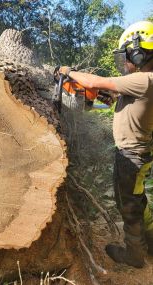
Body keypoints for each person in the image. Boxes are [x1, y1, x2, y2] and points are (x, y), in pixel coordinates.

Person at [58, 21, 153, 268]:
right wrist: (105, 97)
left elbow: (93, 82)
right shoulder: (143, 82)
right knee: (138, 199)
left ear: (139, 53)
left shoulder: (145, 80)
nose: (125, 62)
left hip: (132, 157)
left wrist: (67, 71)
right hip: (137, 154)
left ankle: (134, 255)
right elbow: (118, 100)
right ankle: (150, 242)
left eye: (127, 56)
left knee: (128, 205)